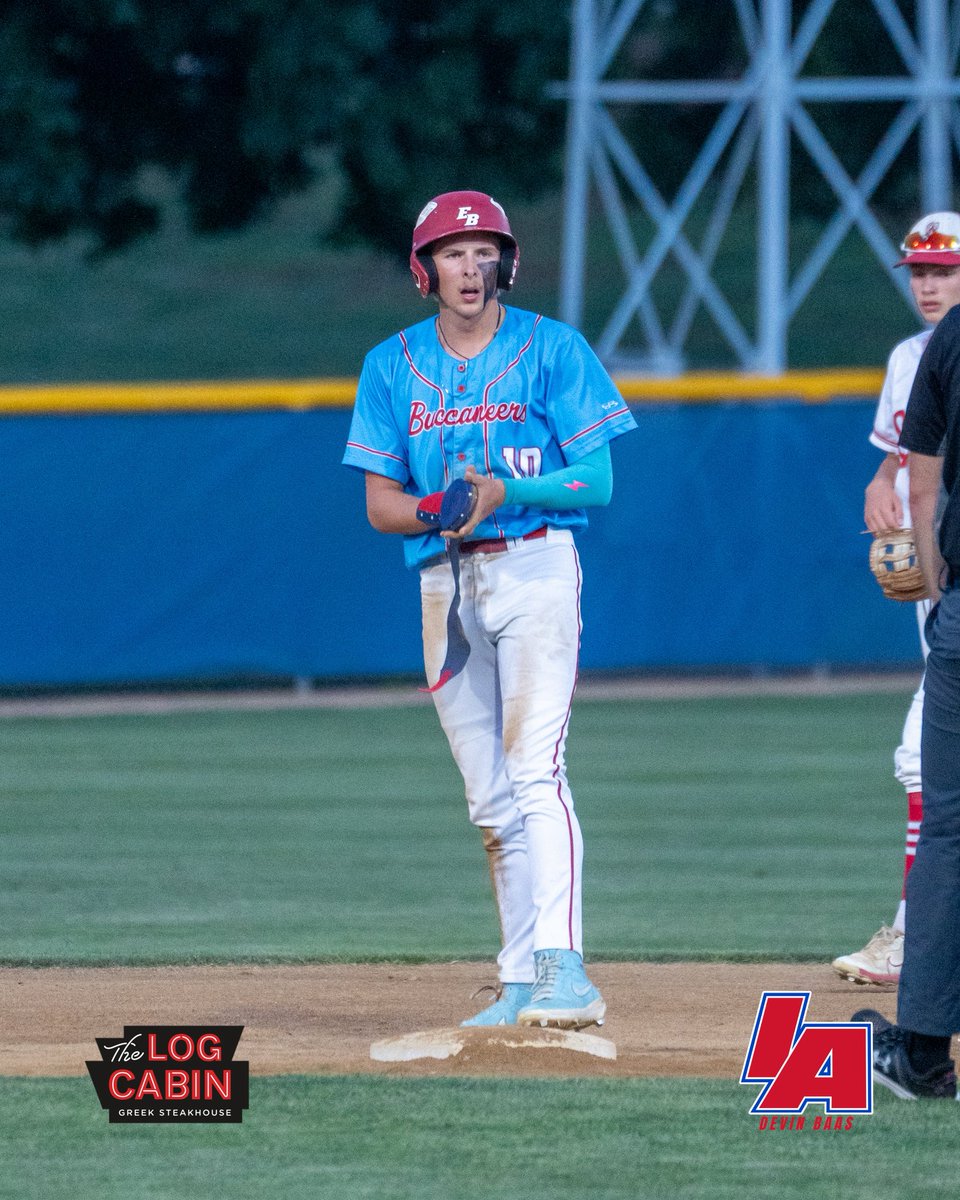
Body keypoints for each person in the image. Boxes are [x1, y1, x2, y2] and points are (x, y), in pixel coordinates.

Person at [342, 190, 637, 1028]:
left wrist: (511, 489)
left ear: (506, 262)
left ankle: (566, 969)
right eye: (451, 252)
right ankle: (516, 982)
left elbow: (600, 479)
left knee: (536, 769)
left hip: (536, 566)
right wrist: (440, 508)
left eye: (483, 251)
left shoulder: (553, 349)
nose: (469, 267)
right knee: (489, 798)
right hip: (446, 581)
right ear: (423, 269)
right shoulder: (391, 365)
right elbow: (379, 504)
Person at [832, 212, 960, 987]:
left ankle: (917, 938)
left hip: (954, 595)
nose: (930, 283)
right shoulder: (909, 357)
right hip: (940, 605)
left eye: (945, 269)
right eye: (919, 271)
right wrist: (882, 488)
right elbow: (902, 463)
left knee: (924, 758)